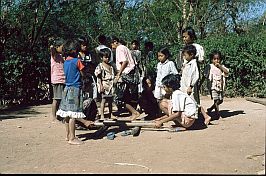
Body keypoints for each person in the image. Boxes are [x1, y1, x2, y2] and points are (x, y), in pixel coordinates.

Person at [56, 39, 93, 145]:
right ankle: (73, 137)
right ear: (74, 50)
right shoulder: (77, 61)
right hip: (75, 89)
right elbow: (83, 73)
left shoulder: (66, 61)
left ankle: (68, 136)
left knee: (67, 114)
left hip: (67, 89)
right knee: (73, 114)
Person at [110, 36, 140, 120]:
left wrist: (119, 74)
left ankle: (134, 112)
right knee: (126, 95)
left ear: (115, 42)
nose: (112, 47)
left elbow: (125, 62)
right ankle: (133, 112)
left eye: (112, 45)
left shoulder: (119, 48)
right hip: (131, 73)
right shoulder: (125, 47)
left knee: (118, 98)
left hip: (126, 74)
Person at [180, 45, 211, 126]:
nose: (184, 56)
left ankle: (205, 116)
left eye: (185, 55)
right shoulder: (187, 63)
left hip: (190, 87)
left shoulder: (193, 64)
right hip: (185, 86)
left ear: (191, 55)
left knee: (193, 102)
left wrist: (191, 85)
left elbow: (195, 76)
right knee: (189, 102)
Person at [202, 50, 229, 119]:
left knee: (220, 100)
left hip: (220, 86)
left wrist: (220, 67)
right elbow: (204, 75)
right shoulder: (209, 66)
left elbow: (227, 72)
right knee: (216, 100)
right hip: (213, 86)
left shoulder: (222, 66)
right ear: (211, 60)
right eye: (214, 59)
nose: (216, 61)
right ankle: (218, 114)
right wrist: (200, 84)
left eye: (218, 59)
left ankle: (210, 109)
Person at [94, 48, 115, 120]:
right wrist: (101, 85)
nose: (107, 58)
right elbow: (99, 77)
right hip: (104, 83)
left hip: (110, 83)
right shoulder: (100, 66)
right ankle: (102, 115)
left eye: (108, 57)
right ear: (101, 57)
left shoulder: (111, 66)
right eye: (105, 57)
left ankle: (110, 114)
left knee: (110, 100)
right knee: (103, 99)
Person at [50, 37, 65, 123]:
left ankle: (59, 115)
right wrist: (53, 45)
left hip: (63, 79)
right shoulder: (54, 55)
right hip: (57, 79)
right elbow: (52, 48)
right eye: (61, 47)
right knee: (56, 99)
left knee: (61, 99)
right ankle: (53, 117)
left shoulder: (61, 56)